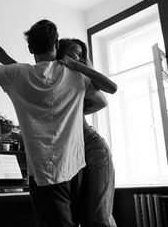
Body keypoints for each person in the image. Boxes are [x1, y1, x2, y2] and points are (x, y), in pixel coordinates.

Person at [0, 10, 118, 226]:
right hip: (73, 166)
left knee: (88, 220)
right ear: (57, 45)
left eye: (80, 56)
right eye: (74, 54)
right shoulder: (70, 76)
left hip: (63, 165)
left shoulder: (23, 75)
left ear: (30, 48)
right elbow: (108, 93)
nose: (76, 58)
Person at [57, 38, 117, 227]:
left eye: (82, 55)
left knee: (98, 216)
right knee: (80, 214)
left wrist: (76, 64)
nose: (80, 57)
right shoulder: (53, 76)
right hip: (68, 150)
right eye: (76, 52)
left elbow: (109, 92)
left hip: (92, 147)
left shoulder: (79, 77)